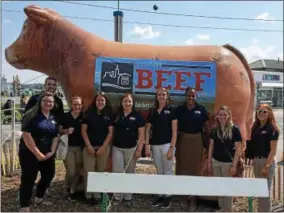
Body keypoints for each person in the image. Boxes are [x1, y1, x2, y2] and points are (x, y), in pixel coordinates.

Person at [18, 92, 59, 212]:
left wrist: (52, 152)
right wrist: (37, 154)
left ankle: (39, 198)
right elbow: (26, 135)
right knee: (28, 178)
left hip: (47, 153)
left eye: (50, 101)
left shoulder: (53, 117)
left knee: (48, 175)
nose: (48, 103)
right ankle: (24, 206)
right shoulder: (32, 115)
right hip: (29, 153)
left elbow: (55, 136)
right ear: (40, 102)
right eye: (45, 101)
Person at [175, 87, 210, 209]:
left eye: (193, 96)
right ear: (185, 96)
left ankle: (194, 197)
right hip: (183, 140)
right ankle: (184, 195)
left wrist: (207, 144)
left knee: (196, 167)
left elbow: (207, 128)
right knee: (182, 166)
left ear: (196, 97)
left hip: (197, 140)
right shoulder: (180, 109)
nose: (190, 98)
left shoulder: (201, 109)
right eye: (188, 96)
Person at [145, 88, 177, 209]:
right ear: (157, 96)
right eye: (159, 94)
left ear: (167, 97)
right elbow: (148, 129)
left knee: (168, 171)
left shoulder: (172, 110)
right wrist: (147, 145)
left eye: (164, 94)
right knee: (159, 170)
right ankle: (160, 194)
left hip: (168, 144)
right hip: (155, 145)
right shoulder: (152, 111)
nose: (161, 96)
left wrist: (172, 148)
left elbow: (174, 131)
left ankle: (167, 196)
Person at [112, 93, 145, 207]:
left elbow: (142, 134)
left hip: (131, 148)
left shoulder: (137, 116)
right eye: (125, 101)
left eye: (129, 101)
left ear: (133, 103)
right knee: (117, 172)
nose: (127, 103)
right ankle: (117, 196)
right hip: (117, 148)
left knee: (130, 172)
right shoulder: (117, 115)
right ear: (121, 103)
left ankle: (128, 197)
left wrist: (139, 149)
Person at [207, 105, 242, 212]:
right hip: (216, 161)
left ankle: (228, 209)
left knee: (227, 186)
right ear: (217, 116)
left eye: (225, 114)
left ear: (229, 115)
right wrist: (209, 162)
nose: (222, 117)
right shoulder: (214, 130)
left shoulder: (235, 129)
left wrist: (234, 165)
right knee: (219, 185)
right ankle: (222, 207)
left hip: (228, 163)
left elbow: (238, 149)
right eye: (220, 114)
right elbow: (211, 146)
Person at [81, 92, 114, 205]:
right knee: (89, 172)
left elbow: (110, 133)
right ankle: (88, 194)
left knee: (100, 171)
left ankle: (97, 194)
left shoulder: (109, 115)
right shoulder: (88, 114)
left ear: (105, 102)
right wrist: (88, 146)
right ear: (95, 101)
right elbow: (83, 131)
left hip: (103, 148)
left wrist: (104, 147)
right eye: (98, 100)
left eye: (102, 100)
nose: (100, 102)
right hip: (89, 147)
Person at [246, 104, 280, 212]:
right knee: (260, 190)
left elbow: (273, 150)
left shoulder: (273, 129)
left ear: (269, 113)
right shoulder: (255, 127)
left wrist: (266, 166)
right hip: (257, 161)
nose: (261, 113)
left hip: (266, 162)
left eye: (264, 111)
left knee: (265, 191)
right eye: (259, 111)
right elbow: (253, 144)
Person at [58, 96, 84, 200]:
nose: (77, 106)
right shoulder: (65, 116)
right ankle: (69, 187)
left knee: (79, 170)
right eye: (75, 104)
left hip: (81, 147)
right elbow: (59, 129)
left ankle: (74, 190)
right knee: (71, 171)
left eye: (79, 104)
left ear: (82, 106)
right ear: (71, 105)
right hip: (69, 147)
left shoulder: (84, 117)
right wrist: (65, 131)